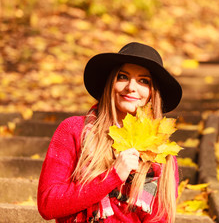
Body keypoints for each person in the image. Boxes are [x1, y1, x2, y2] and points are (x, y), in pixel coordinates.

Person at [37, 42, 183, 223]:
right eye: (123, 77)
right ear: (110, 83)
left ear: (153, 93)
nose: (131, 87)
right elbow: (47, 204)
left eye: (143, 81)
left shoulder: (161, 154)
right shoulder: (74, 130)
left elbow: (159, 219)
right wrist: (112, 176)